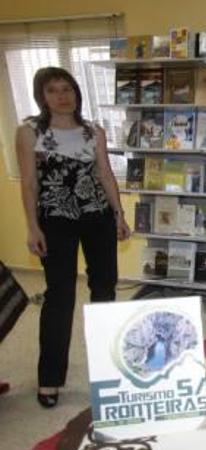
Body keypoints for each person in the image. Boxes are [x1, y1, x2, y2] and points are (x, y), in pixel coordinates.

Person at [16, 67, 130, 408]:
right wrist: (33, 227)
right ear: (42, 96)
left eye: (67, 89)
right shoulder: (29, 132)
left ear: (76, 92)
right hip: (55, 220)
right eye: (53, 90)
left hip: (98, 217)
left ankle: (109, 367)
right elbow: (29, 184)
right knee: (60, 296)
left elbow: (105, 174)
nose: (62, 96)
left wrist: (119, 214)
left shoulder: (92, 131)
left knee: (105, 288)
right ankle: (50, 379)